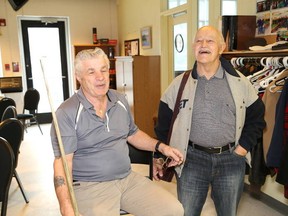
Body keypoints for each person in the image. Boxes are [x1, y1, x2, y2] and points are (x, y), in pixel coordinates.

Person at [50, 48, 184, 216]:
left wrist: (162, 147)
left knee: (173, 210)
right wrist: (66, 206)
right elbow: (62, 163)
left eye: (103, 70)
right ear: (78, 77)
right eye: (91, 72)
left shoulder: (119, 100)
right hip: (90, 186)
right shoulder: (66, 112)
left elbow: (133, 133)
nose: (100, 77)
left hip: (127, 179)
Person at [154, 26, 266, 216]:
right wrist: (160, 155)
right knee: (187, 212)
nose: (203, 45)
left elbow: (257, 119)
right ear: (193, 47)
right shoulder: (179, 83)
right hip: (191, 159)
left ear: (221, 48)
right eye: (199, 41)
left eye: (210, 41)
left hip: (231, 160)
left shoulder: (241, 82)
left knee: (227, 212)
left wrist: (242, 149)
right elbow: (164, 125)